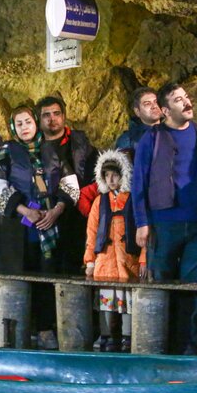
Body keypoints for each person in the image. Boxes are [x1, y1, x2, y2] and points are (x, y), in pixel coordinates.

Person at [132, 83, 197, 355]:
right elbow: (138, 182)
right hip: (163, 222)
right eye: (178, 100)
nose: (186, 103)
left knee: (195, 288)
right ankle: (159, 346)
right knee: (161, 285)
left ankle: (189, 348)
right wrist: (142, 222)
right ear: (166, 110)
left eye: (187, 97)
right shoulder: (152, 138)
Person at [0, 104, 70, 350]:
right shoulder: (6, 152)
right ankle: (20, 332)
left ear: (36, 123)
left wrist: (56, 211)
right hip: (19, 229)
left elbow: (69, 184)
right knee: (20, 279)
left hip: (50, 227)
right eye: (20, 123)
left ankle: (47, 329)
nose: (25, 127)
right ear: (13, 127)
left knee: (47, 278)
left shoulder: (52, 150)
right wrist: (26, 211)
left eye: (28, 121)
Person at [84, 150, 144, 353]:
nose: (110, 180)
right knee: (106, 302)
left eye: (115, 175)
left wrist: (143, 259)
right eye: (106, 175)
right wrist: (90, 261)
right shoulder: (99, 202)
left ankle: (127, 336)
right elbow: (92, 233)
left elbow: (145, 234)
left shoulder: (134, 201)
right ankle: (106, 334)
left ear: (124, 175)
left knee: (127, 302)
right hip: (105, 262)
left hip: (129, 260)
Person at [35, 95, 98, 273]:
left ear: (63, 116)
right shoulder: (34, 148)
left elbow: (95, 176)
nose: (52, 119)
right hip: (45, 215)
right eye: (46, 115)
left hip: (77, 217)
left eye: (56, 113)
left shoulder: (81, 144)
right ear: (39, 119)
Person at [115, 87, 162, 152]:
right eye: (147, 104)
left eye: (156, 102)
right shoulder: (128, 139)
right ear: (137, 111)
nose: (154, 106)